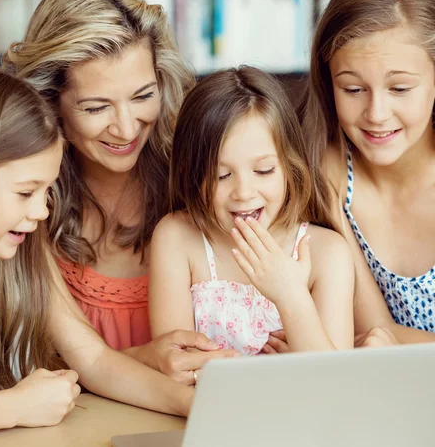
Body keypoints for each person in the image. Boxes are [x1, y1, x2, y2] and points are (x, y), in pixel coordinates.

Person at [0, 68, 192, 446]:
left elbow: (93, 359)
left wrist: (194, 403)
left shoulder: (22, 247)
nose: (42, 212)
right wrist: (16, 405)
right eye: (26, 193)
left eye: (47, 191)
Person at [3, 0, 238, 385]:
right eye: (97, 108)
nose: (127, 129)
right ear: (49, 103)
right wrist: (142, 359)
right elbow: (29, 374)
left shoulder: (202, 178)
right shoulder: (26, 204)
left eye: (143, 96)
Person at [299, 0, 435, 407]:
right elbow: (374, 329)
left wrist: (400, 352)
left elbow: (381, 344)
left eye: (399, 88)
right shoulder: (327, 176)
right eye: (353, 88)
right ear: (329, 83)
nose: (376, 113)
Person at [149, 67, 354, 358]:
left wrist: (291, 296)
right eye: (221, 175)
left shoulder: (327, 253)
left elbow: (338, 383)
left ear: (289, 168)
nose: (243, 192)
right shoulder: (177, 238)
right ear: (192, 175)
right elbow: (176, 364)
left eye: (263, 170)